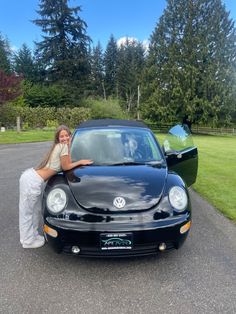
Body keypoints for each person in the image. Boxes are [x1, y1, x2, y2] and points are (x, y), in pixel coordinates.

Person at [19, 125, 92, 249]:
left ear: (70, 136)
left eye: (66, 135)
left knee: (35, 210)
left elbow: (67, 163)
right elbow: (65, 167)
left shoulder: (63, 148)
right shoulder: (62, 147)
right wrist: (80, 162)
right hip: (32, 181)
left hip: (32, 178)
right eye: (61, 136)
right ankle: (27, 241)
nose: (64, 138)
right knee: (27, 212)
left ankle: (33, 235)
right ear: (58, 138)